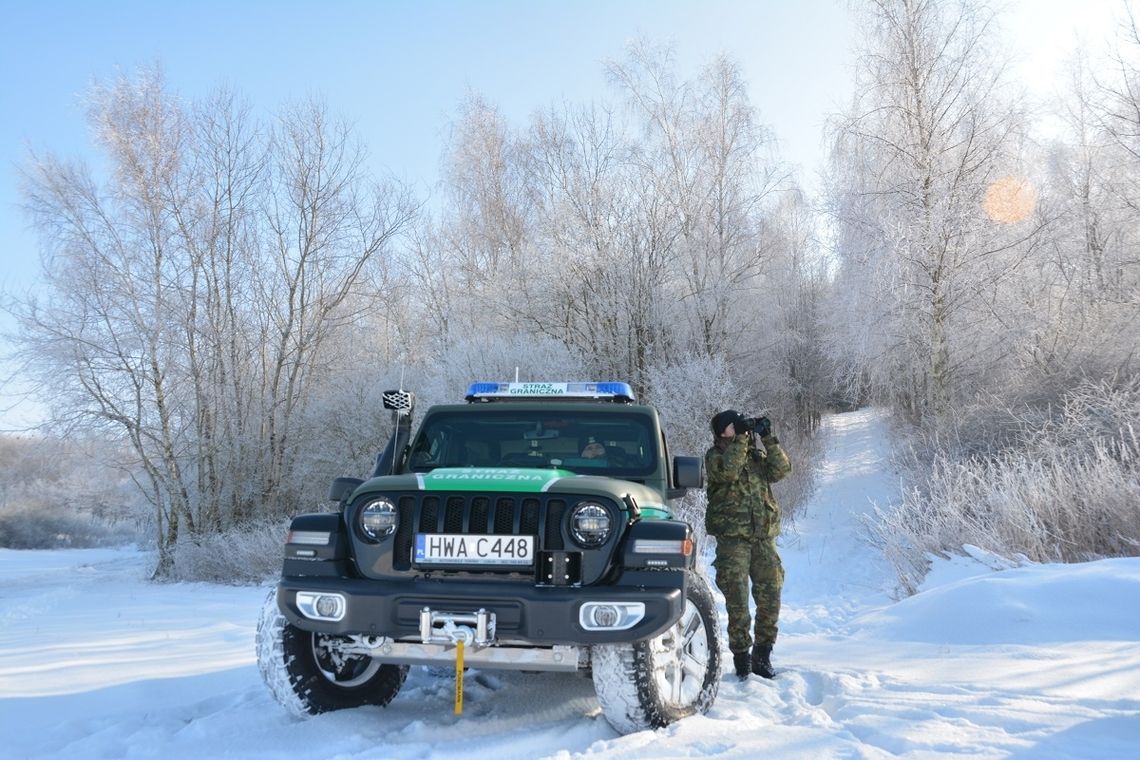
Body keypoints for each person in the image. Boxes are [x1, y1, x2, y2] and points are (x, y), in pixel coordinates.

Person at [705, 409, 792, 679]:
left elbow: (782, 469)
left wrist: (767, 437)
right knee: (738, 601)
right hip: (733, 542)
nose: (741, 429)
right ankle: (742, 658)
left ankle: (763, 654)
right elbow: (729, 472)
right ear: (722, 431)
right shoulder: (715, 457)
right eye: (734, 426)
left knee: (771, 596)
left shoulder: (755, 456)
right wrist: (742, 438)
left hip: (763, 538)